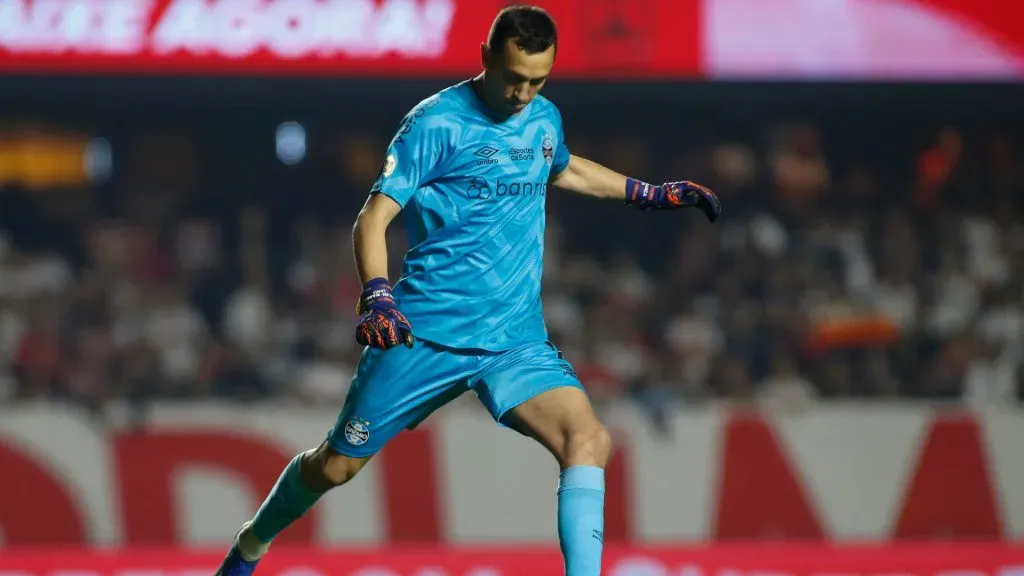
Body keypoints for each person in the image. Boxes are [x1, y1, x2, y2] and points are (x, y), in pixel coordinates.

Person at [215, 5, 720, 576]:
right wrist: (378, 292)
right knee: (336, 467)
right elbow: (372, 219)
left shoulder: (542, 117)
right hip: (423, 334)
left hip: (513, 340)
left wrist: (649, 194)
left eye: (538, 80)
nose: (524, 93)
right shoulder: (435, 123)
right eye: (514, 79)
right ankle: (252, 543)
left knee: (588, 438)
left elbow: (565, 167)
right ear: (485, 57)